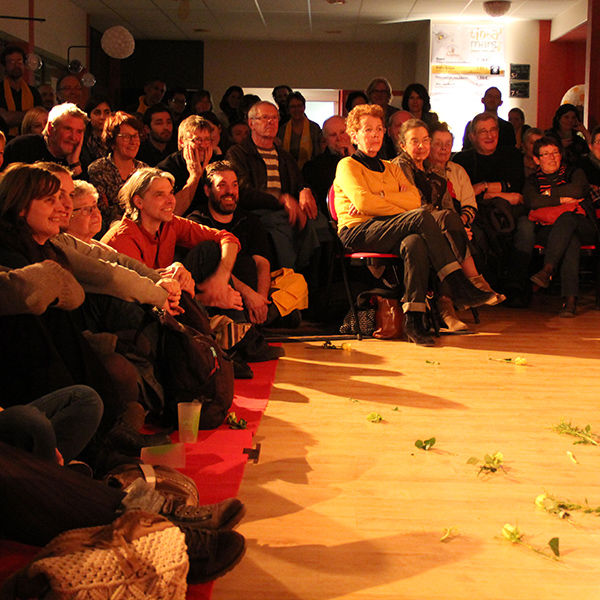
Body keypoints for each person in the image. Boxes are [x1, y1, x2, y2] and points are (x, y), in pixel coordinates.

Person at [333, 104, 499, 346]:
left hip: (390, 226)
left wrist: (378, 198)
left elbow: (412, 199)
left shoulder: (390, 168)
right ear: (355, 135)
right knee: (422, 217)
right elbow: (363, 203)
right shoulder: (348, 165)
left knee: (415, 242)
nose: (376, 134)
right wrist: (383, 200)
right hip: (357, 231)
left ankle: (414, 320)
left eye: (379, 129)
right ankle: (458, 283)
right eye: (368, 129)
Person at [392, 119, 503, 331]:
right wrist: (454, 228)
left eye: (425, 140)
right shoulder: (399, 166)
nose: (422, 146)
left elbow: (447, 206)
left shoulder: (434, 170)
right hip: (407, 225)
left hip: (434, 226)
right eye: (416, 141)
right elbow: (414, 204)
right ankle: (471, 284)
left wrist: (457, 229)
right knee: (445, 230)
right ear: (403, 145)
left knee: (447, 233)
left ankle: (446, 307)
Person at [101, 167, 243, 311]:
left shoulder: (170, 223)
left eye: (171, 193)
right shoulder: (121, 239)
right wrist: (206, 299)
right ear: (139, 202)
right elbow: (145, 297)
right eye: (160, 195)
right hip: (137, 312)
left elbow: (227, 238)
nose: (171, 201)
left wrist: (220, 279)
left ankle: (238, 327)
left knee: (210, 250)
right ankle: (232, 327)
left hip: (168, 297)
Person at [226, 101, 321, 272]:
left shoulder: (284, 156)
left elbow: (299, 182)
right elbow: (243, 192)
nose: (270, 122)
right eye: (264, 118)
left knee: (319, 223)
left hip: (286, 209)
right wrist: (281, 200)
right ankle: (290, 275)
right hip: (256, 212)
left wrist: (304, 191)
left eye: (274, 118)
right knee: (283, 227)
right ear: (251, 123)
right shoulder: (238, 153)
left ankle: (312, 282)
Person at [187, 161, 279, 326]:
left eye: (234, 185)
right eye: (222, 185)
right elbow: (210, 263)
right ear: (208, 191)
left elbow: (262, 263)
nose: (230, 191)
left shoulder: (250, 221)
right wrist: (248, 294)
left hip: (252, 294)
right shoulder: (196, 222)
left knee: (295, 281)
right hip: (221, 295)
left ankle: (258, 315)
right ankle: (246, 323)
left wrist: (260, 299)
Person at [524, 136, 595, 317]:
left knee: (567, 219)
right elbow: (532, 200)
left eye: (555, 152)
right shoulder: (533, 180)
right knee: (570, 240)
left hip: (583, 224)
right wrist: (562, 199)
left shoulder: (573, 172)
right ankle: (570, 301)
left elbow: (579, 189)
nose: (552, 157)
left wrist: (549, 194)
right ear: (536, 159)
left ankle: (548, 269)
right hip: (550, 230)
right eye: (546, 154)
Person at [88, 111, 148, 227]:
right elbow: (103, 210)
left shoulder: (144, 170)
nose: (133, 141)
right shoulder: (98, 169)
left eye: (135, 135)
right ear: (112, 141)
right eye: (126, 137)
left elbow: (149, 207)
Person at [3, 103, 87, 177]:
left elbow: (84, 193)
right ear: (50, 128)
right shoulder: (22, 147)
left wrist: (74, 164)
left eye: (79, 132)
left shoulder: (81, 156)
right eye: (68, 129)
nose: (73, 137)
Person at [156, 115, 214, 216]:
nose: (203, 145)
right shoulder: (165, 169)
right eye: (197, 140)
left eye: (207, 139)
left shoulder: (214, 162)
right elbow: (171, 212)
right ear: (182, 142)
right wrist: (195, 177)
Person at [302, 115, 353, 214]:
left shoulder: (363, 156)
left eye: (343, 132)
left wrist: (353, 156)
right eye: (333, 135)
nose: (339, 138)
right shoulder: (314, 167)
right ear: (326, 139)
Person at [0, 45, 43, 137]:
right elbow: (5, 119)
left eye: (19, 61)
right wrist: (31, 115)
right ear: (4, 66)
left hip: (30, 142)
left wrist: (14, 116)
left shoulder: (33, 92)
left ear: (24, 65)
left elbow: (40, 118)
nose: (16, 65)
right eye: (11, 62)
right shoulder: (0, 89)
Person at [277, 91, 322, 168]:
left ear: (304, 108)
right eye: (293, 107)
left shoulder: (314, 128)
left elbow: (318, 153)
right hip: (288, 170)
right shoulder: (282, 129)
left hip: (311, 171)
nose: (296, 110)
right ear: (288, 110)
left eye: (299, 106)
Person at [136, 102, 177, 166]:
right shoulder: (139, 153)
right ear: (147, 129)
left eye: (168, 122)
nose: (166, 127)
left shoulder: (176, 151)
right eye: (159, 123)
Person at [83, 95, 112, 163]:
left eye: (107, 113)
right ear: (88, 116)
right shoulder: (83, 140)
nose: (102, 117)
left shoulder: (116, 139)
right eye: (97, 113)